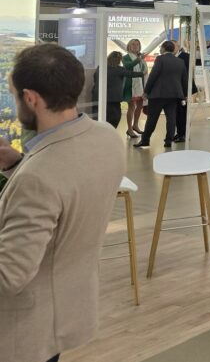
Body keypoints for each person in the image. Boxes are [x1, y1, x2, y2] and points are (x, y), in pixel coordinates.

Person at [0, 44, 125, 362]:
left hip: (22, 331)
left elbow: (9, 276)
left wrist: (27, 172)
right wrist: (16, 163)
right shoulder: (107, 138)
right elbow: (66, 192)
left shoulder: (39, 177)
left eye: (14, 96)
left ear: (31, 98)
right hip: (65, 311)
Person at [134, 41, 187, 148]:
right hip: (174, 95)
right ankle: (168, 141)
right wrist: (184, 94)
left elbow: (153, 76)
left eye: (160, 47)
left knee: (152, 119)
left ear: (163, 48)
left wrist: (146, 91)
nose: (160, 49)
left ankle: (145, 140)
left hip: (158, 94)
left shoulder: (160, 59)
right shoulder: (180, 62)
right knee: (171, 119)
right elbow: (184, 79)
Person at [93, 50, 143, 129]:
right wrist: (142, 73)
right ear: (119, 60)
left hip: (98, 98)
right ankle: (110, 135)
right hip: (113, 100)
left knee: (100, 122)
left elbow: (95, 79)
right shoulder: (119, 69)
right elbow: (131, 74)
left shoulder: (100, 67)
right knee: (114, 120)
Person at [123, 38, 148, 138]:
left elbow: (144, 71)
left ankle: (135, 125)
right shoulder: (125, 57)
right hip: (130, 86)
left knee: (140, 105)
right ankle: (129, 129)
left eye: (137, 44)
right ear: (129, 46)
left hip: (140, 85)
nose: (135, 46)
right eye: (133, 44)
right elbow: (128, 67)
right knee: (131, 106)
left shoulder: (140, 58)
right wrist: (139, 59)